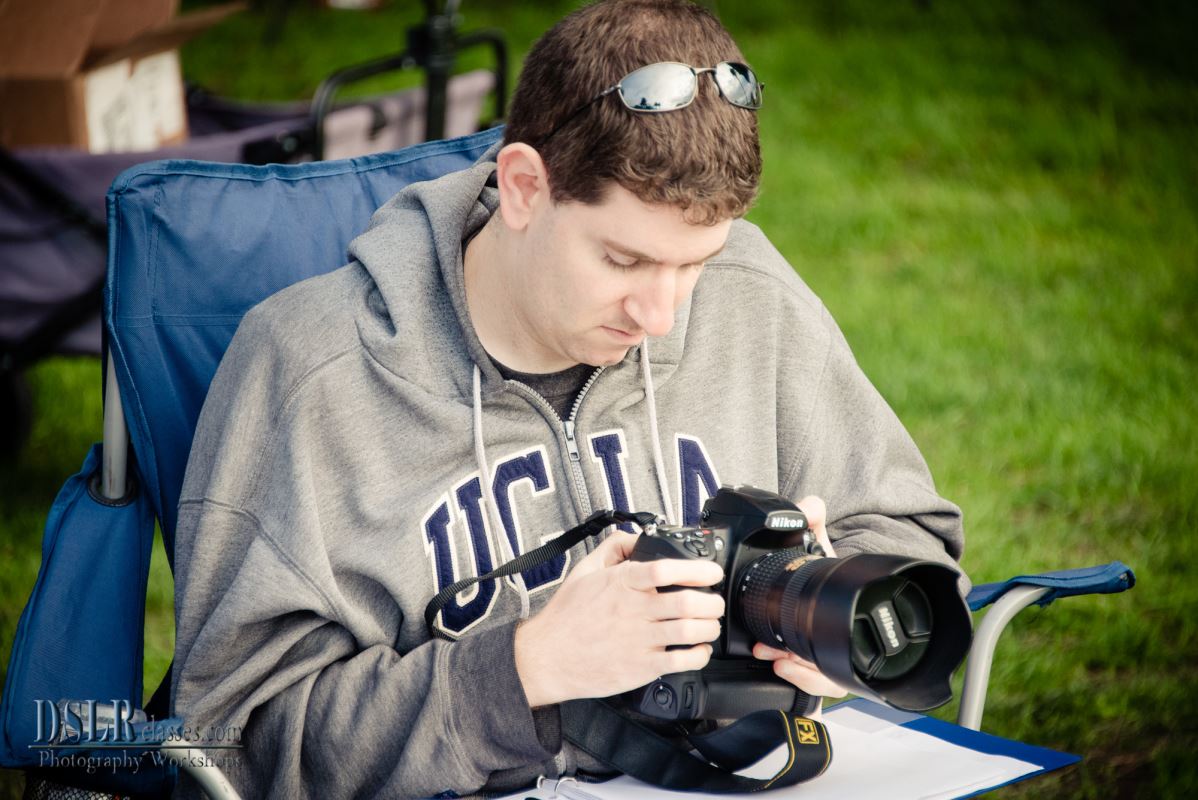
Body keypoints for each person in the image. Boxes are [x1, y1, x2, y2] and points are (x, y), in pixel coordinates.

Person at [171, 1, 968, 797]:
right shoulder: (309, 373)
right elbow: (233, 745)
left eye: (694, 265)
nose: (660, 316)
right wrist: (525, 668)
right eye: (623, 260)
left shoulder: (750, 291)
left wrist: (837, 610)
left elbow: (914, 539)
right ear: (524, 187)